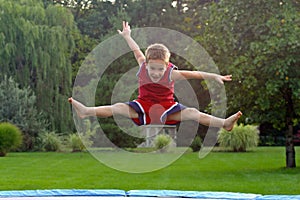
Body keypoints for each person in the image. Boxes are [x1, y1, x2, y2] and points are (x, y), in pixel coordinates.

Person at [68, 21, 242, 131]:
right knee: (119, 107)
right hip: (143, 107)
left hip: (167, 109)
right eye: (153, 69)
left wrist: (214, 76)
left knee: (192, 113)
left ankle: (224, 123)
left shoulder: (171, 74)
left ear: (166, 66)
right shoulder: (143, 66)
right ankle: (85, 111)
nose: (156, 73)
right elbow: (136, 51)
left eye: (160, 69)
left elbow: (195, 74)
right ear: (147, 64)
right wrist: (128, 36)